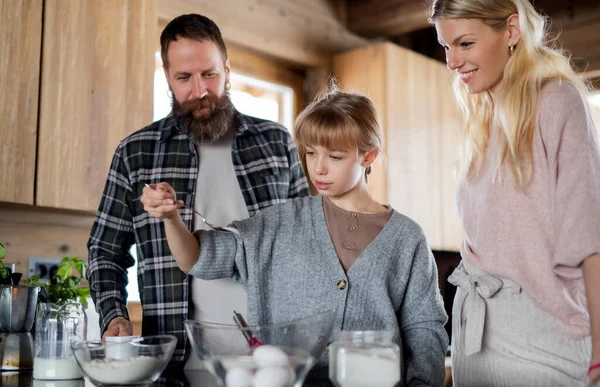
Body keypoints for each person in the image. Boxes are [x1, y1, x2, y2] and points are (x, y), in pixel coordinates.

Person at [141, 87, 449, 385]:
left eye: (335, 157)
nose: (318, 168)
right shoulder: (278, 224)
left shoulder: (408, 238)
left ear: (368, 156)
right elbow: (197, 258)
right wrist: (170, 218)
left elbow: (424, 329)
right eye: (311, 152)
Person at [87, 13, 309, 368]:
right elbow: (104, 251)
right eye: (184, 78)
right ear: (167, 77)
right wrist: (114, 316)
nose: (200, 91)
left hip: (273, 360)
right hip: (175, 363)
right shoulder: (136, 153)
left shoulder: (277, 143)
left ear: (228, 70)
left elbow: (307, 245)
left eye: (209, 74)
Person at [430, 0, 600, 385]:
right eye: (445, 47)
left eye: (465, 44)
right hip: (475, 338)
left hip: (543, 337)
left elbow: (590, 237)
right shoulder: (480, 122)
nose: (453, 62)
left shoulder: (557, 102)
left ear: (510, 31)